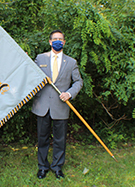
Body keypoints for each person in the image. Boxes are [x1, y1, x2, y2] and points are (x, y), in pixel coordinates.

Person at [32, 30, 83, 179]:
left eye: (60, 39)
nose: (57, 41)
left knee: (60, 139)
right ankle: (42, 167)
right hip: (42, 106)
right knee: (42, 138)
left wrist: (69, 93)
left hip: (61, 106)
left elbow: (78, 81)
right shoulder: (40, 58)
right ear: (49, 42)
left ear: (64, 42)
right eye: (55, 39)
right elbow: (32, 77)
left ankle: (57, 167)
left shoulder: (71, 62)